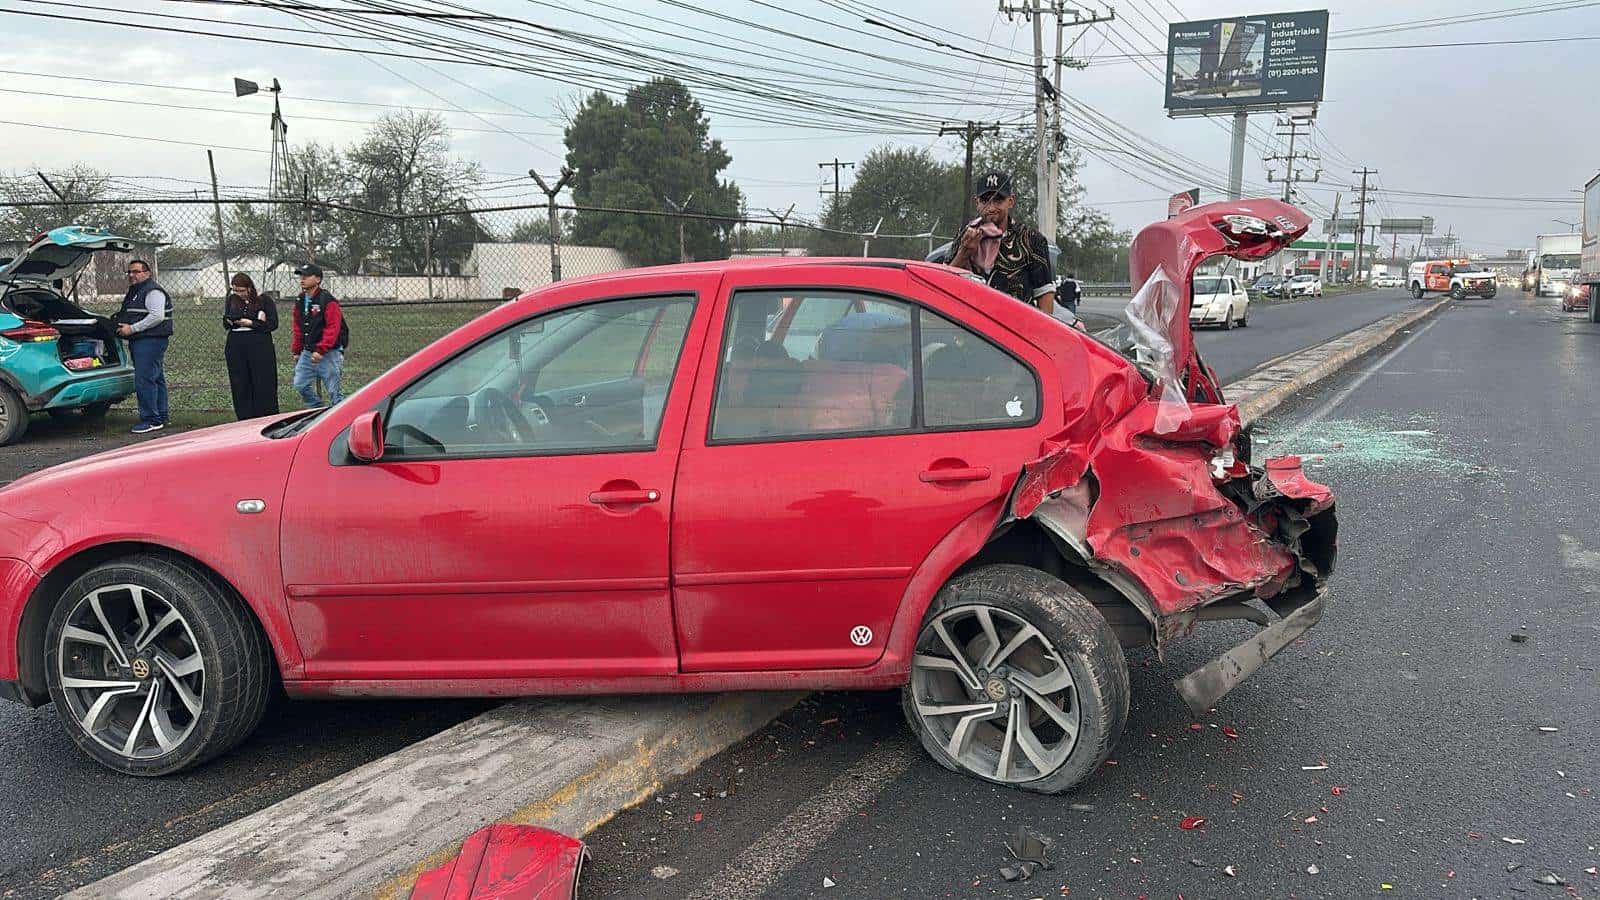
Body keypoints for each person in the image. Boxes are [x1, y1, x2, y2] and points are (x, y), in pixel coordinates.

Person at [949, 172, 1057, 315]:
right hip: (973, 330)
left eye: (998, 200)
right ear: (977, 203)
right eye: (985, 201)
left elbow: (1044, 293)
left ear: (1010, 201)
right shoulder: (965, 235)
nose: (991, 207)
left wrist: (1042, 334)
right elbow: (945, 281)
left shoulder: (1031, 239)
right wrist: (964, 252)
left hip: (1017, 329)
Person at [115, 259, 173, 434]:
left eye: (137, 271)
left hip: (150, 340)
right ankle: (161, 415)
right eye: (130, 272)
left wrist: (131, 329)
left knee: (144, 379)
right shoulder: (137, 290)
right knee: (155, 377)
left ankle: (150, 419)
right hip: (143, 339)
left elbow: (157, 316)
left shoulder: (152, 291)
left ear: (147, 273)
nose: (132, 275)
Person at [289, 263, 348, 408]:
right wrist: (297, 350)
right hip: (308, 350)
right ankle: (318, 408)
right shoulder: (301, 300)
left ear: (318, 279)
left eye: (306, 276)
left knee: (334, 390)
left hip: (329, 352)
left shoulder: (327, 300)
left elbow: (333, 327)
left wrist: (321, 349)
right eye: (301, 276)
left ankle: (340, 414)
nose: (302, 279)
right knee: (300, 384)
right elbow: (297, 326)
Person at [222, 273, 280, 420]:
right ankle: (244, 417)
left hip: (259, 344)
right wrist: (230, 321)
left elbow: (272, 324)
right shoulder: (232, 300)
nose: (238, 294)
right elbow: (226, 321)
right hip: (236, 343)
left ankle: (266, 417)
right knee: (240, 382)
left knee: (263, 381)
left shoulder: (264, 300)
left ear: (249, 288)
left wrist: (252, 323)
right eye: (235, 290)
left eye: (241, 290)